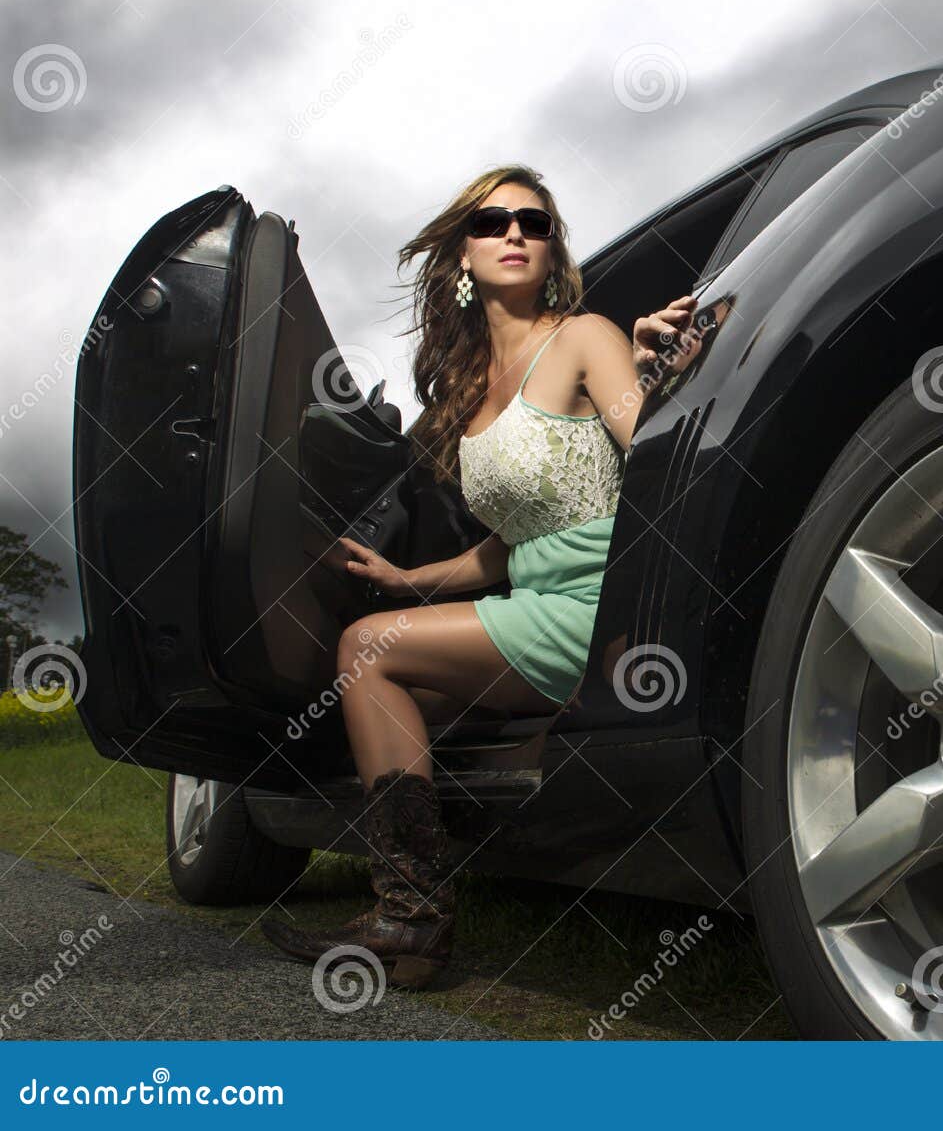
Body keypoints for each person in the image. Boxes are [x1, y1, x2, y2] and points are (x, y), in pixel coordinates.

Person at [259, 164, 703, 987]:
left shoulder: (584, 336)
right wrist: (404, 578)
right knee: (398, 704)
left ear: (550, 252)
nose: (513, 235)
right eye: (494, 222)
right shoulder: (471, 397)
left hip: (595, 605)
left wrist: (649, 370)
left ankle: (412, 914)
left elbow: (651, 449)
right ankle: (427, 900)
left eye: (533, 225)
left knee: (365, 652)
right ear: (463, 253)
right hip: (529, 599)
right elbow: (503, 548)